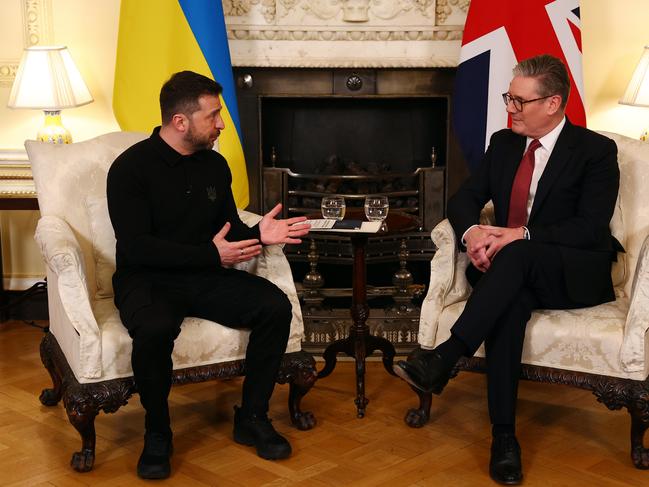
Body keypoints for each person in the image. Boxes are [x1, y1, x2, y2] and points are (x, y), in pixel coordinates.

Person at [394, 54, 622, 485]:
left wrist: (520, 235)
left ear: (552, 103)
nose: (509, 108)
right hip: (506, 272)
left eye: (519, 101)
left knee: (516, 254)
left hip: (569, 270)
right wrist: (473, 237)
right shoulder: (502, 143)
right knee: (509, 302)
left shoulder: (595, 151)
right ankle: (504, 439)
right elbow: (463, 200)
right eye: (508, 98)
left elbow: (590, 227)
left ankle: (444, 357)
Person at [107, 70, 310, 479]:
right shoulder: (130, 169)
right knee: (155, 327)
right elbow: (137, 247)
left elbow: (228, 229)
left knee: (274, 306)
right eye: (213, 115)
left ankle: (251, 417)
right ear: (180, 122)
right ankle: (158, 432)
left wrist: (259, 234)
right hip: (147, 279)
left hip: (206, 274)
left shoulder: (214, 165)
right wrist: (208, 254)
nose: (221, 123)